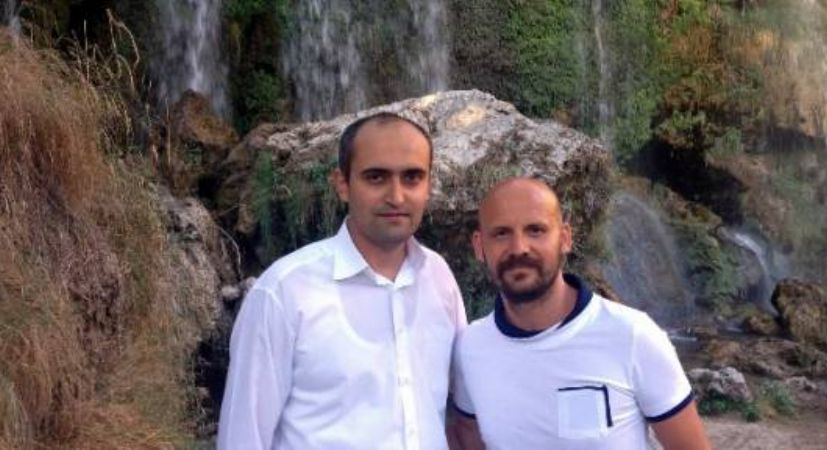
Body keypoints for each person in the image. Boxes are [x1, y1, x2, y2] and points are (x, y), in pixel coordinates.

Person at [218, 112, 467, 450]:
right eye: (376, 177)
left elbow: (462, 402)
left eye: (412, 177)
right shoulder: (283, 292)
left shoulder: (438, 277)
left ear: (428, 185)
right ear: (342, 184)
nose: (396, 196)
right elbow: (242, 437)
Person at [450, 177, 710, 450]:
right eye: (501, 233)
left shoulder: (633, 335)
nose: (519, 248)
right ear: (479, 246)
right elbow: (469, 438)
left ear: (565, 238)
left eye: (536, 230)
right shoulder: (471, 348)